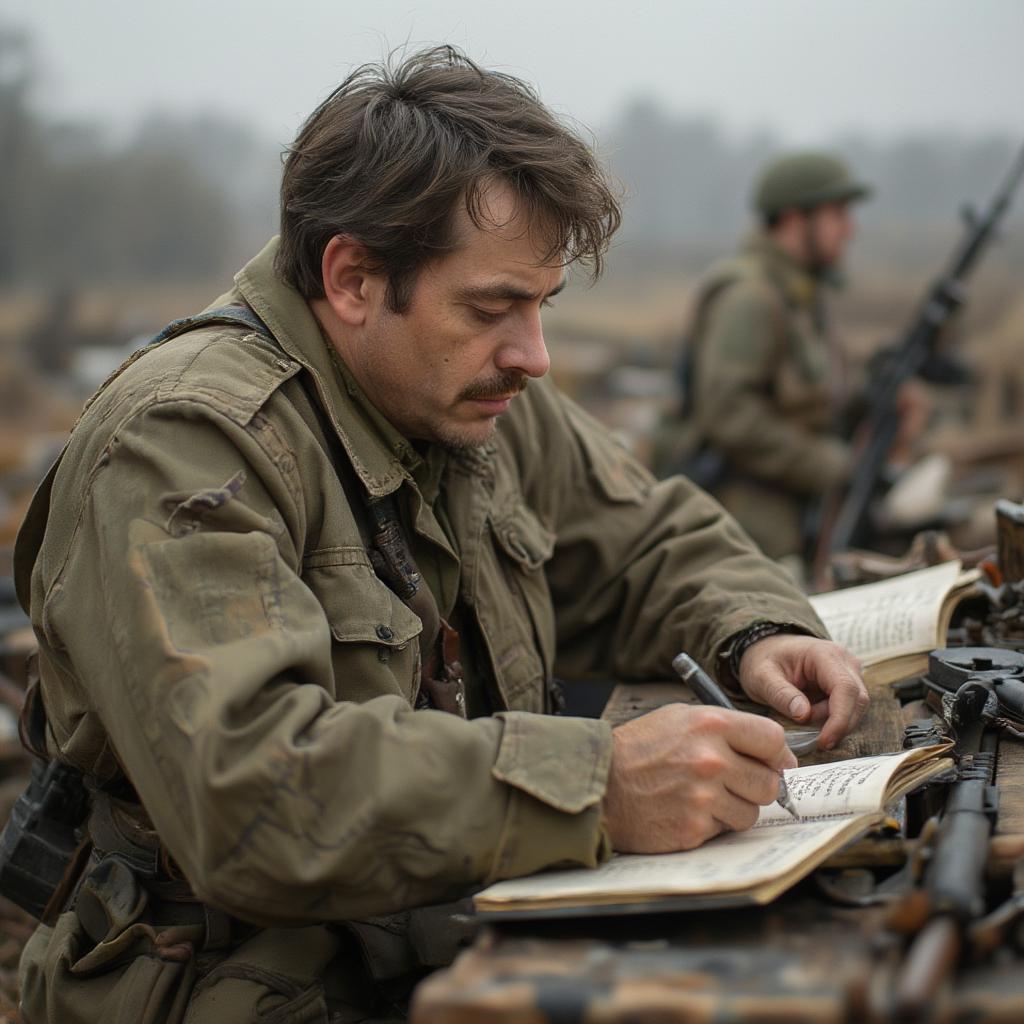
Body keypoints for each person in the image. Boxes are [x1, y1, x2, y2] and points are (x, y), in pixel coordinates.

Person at [12, 50, 867, 1023]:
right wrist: (599, 785)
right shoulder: (183, 444)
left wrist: (755, 631)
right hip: (238, 983)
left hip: (443, 930)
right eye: (492, 307)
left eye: (540, 305)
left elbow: (648, 537)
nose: (531, 355)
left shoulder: (471, 398)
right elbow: (245, 792)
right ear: (353, 278)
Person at [652, 152, 882, 564]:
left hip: (788, 496)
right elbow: (729, 414)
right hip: (742, 506)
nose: (850, 229)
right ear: (795, 219)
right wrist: (827, 464)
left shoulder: (800, 294)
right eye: (838, 213)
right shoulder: (751, 297)